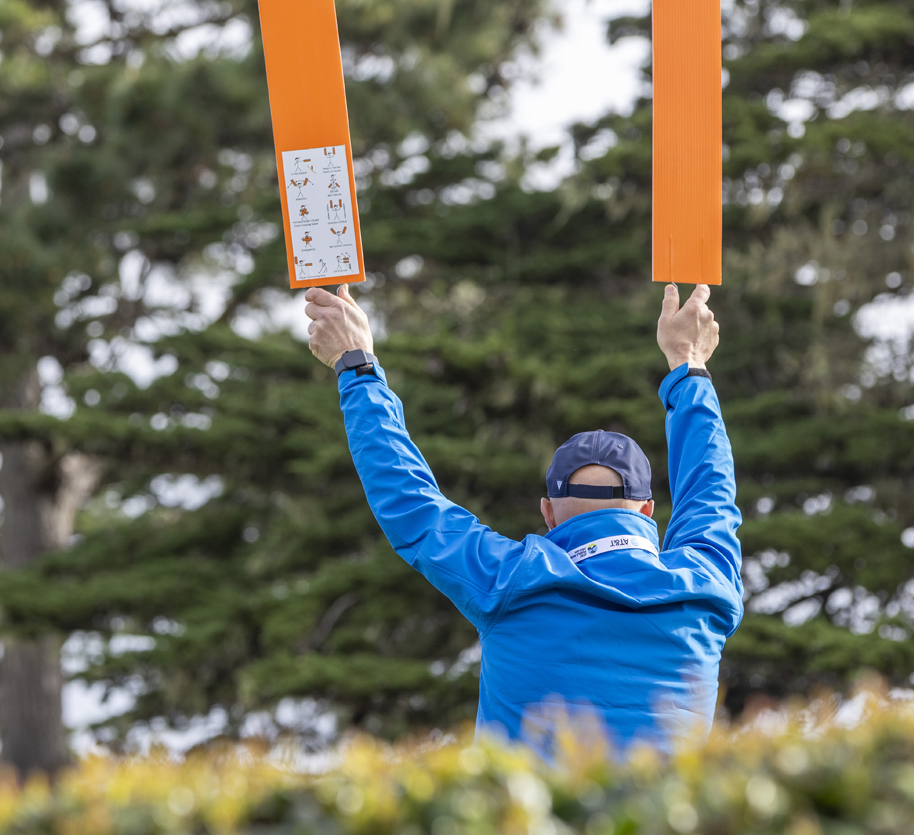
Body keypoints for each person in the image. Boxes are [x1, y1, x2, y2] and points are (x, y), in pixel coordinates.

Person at [305, 280, 743, 757]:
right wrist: (689, 363)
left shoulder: (513, 580)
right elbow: (710, 488)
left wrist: (357, 364)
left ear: (548, 513)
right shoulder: (708, 584)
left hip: (523, 830)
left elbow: (410, 502)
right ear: (646, 510)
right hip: (670, 831)